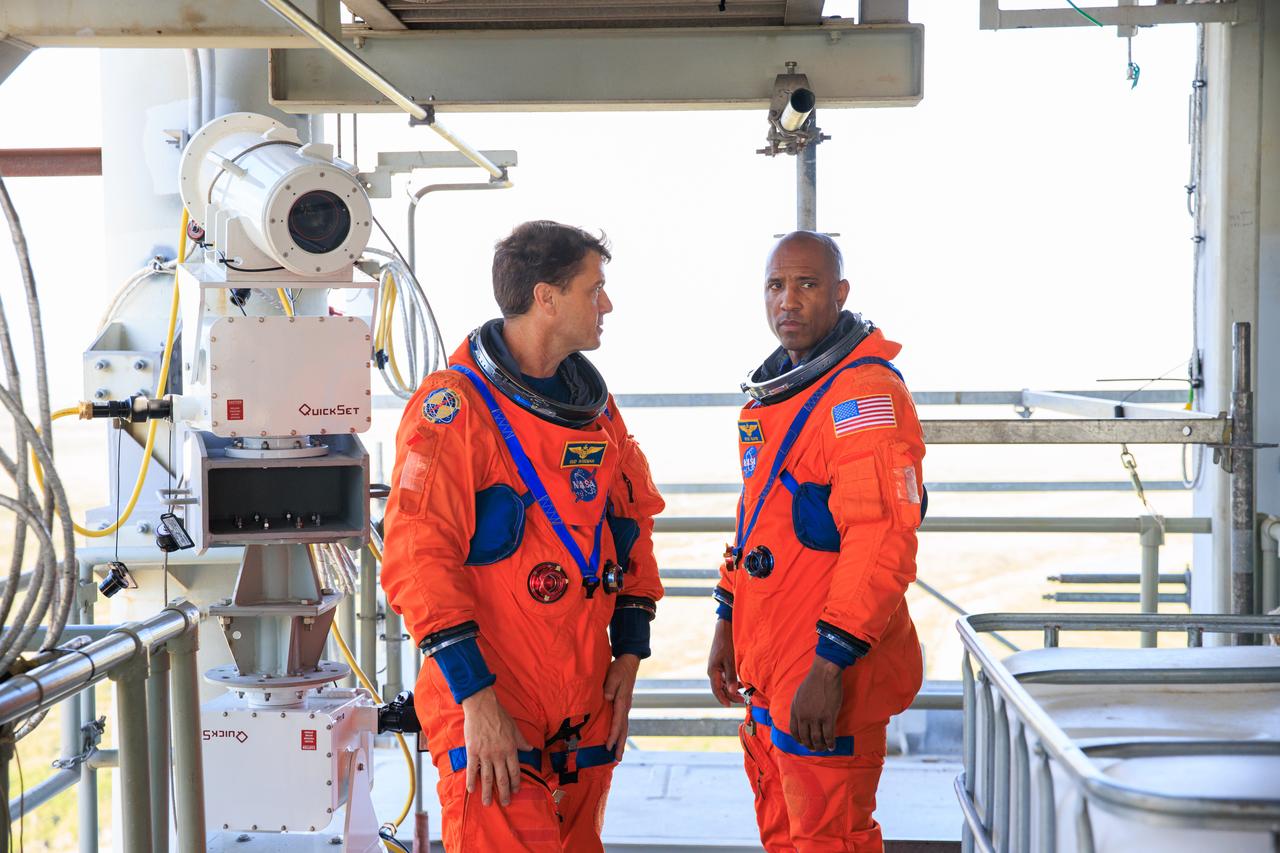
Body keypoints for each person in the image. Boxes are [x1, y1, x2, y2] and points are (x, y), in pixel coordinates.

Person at [381, 221, 665, 851]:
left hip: (584, 705)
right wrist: (476, 700)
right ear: (547, 297)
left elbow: (630, 524)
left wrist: (629, 653)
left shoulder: (594, 408)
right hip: (491, 706)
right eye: (595, 289)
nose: (607, 304)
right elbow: (417, 557)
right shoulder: (455, 409)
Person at [706, 231, 926, 851]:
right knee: (785, 835)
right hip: (772, 662)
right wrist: (727, 621)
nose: (788, 302)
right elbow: (756, 521)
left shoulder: (863, 395)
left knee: (830, 839)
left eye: (807, 284)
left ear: (840, 293)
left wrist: (830, 665)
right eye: (776, 286)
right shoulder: (774, 398)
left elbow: (882, 538)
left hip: (827, 668)